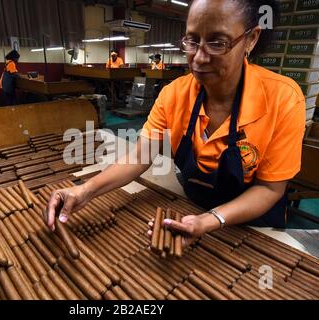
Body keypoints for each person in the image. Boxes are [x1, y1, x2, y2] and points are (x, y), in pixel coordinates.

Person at [46, 0, 305, 248]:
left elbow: (270, 189)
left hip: (253, 228)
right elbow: (139, 157)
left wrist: (211, 220)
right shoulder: (174, 94)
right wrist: (84, 192)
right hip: (191, 210)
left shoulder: (283, 98)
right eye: (192, 41)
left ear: (251, 38)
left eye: (217, 43)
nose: (200, 58)